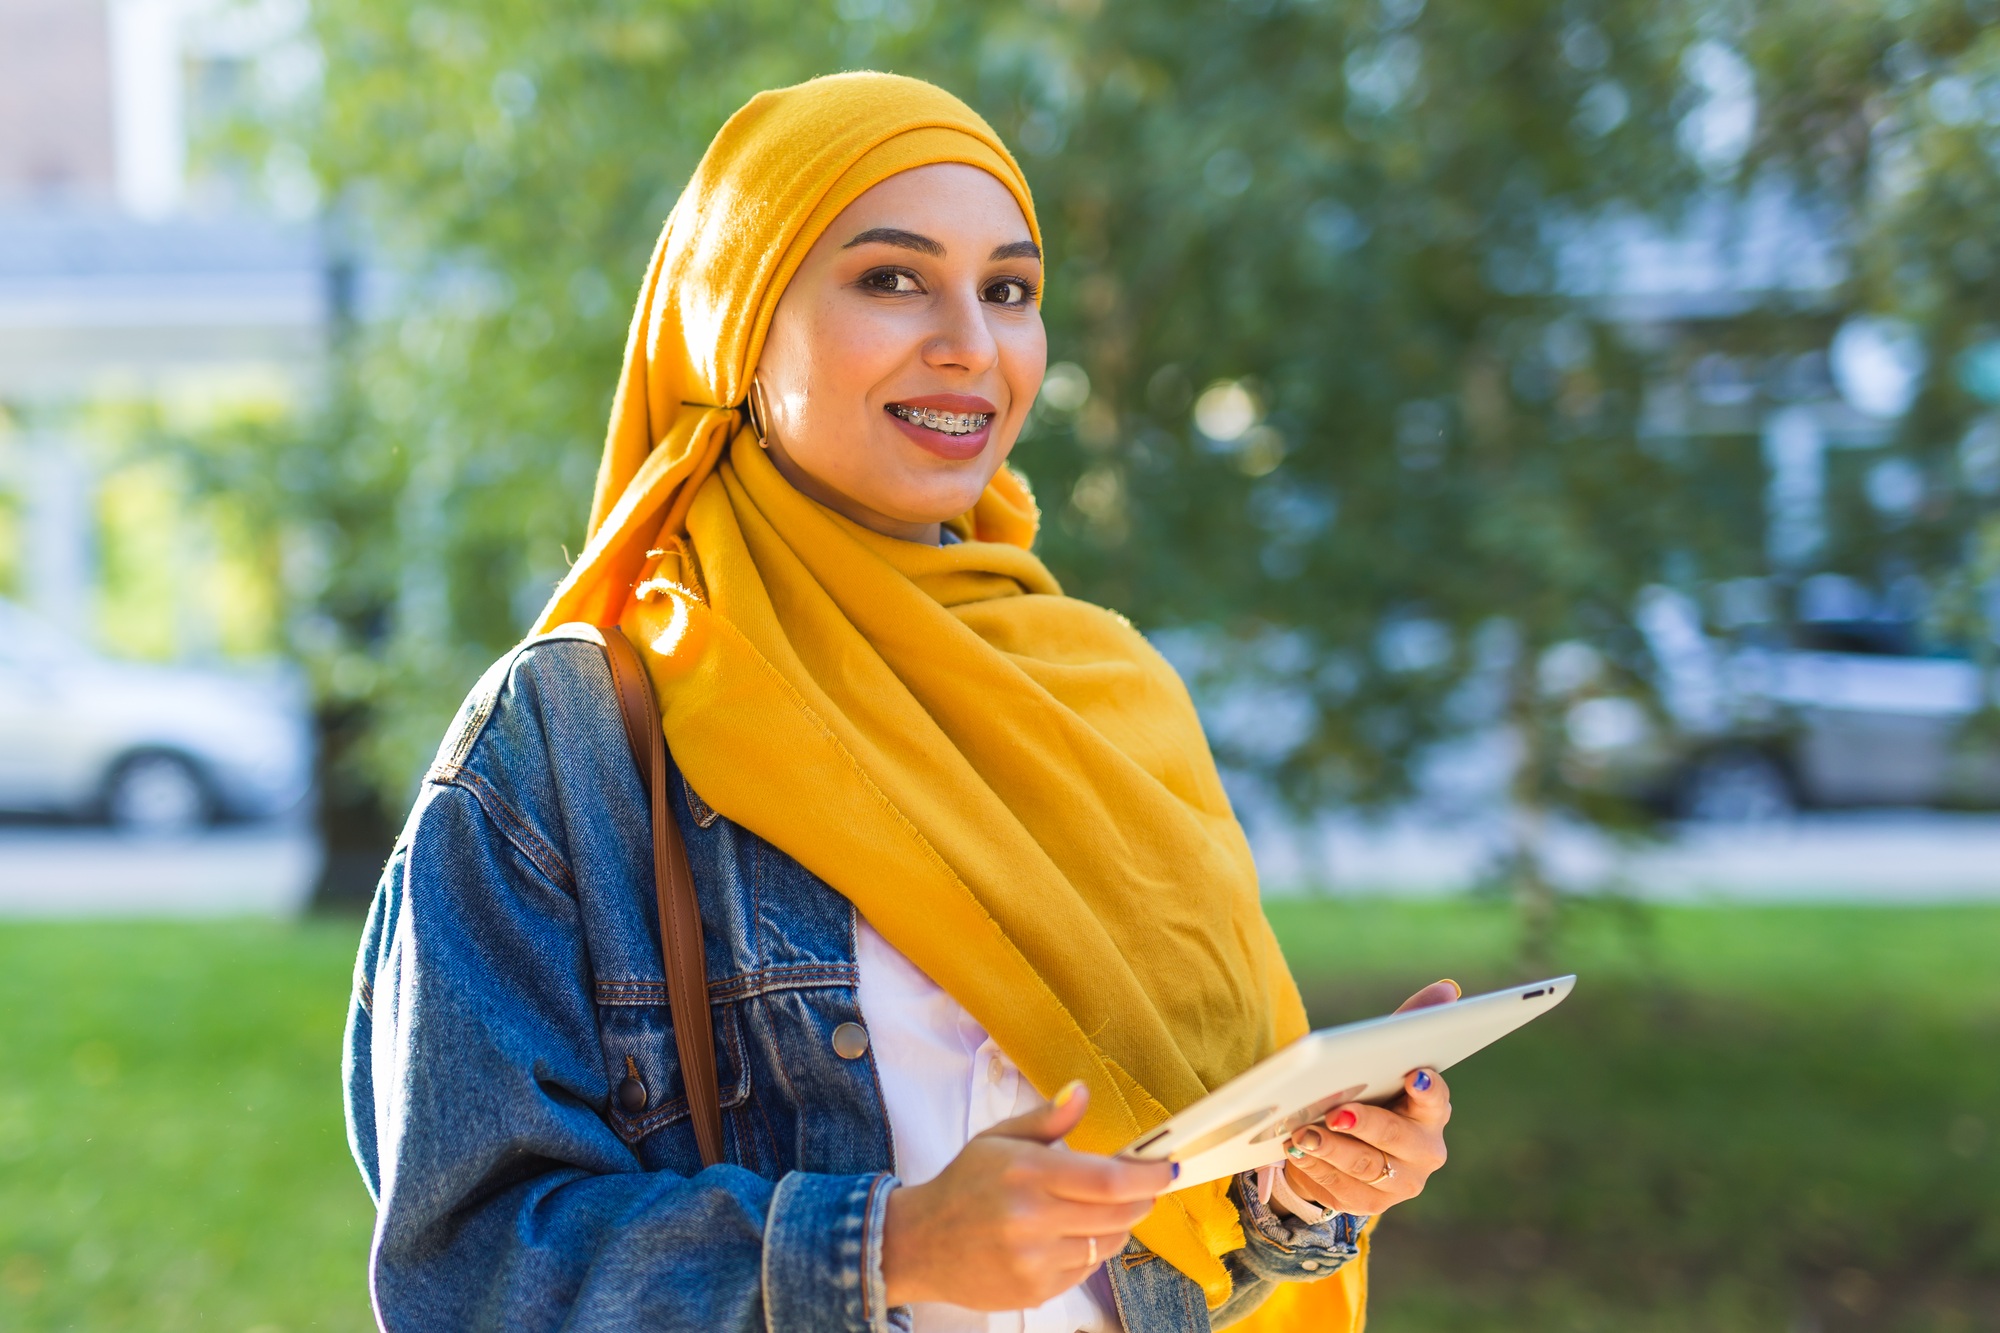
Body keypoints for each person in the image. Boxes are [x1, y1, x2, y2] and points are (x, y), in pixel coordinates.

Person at [343, 71, 1456, 1333]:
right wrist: (891, 1247)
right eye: (890, 278)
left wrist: (1299, 1186)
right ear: (738, 329)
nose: (970, 345)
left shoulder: (1103, 689)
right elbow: (464, 1270)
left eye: (1008, 290)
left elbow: (1184, 1238)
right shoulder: (572, 740)